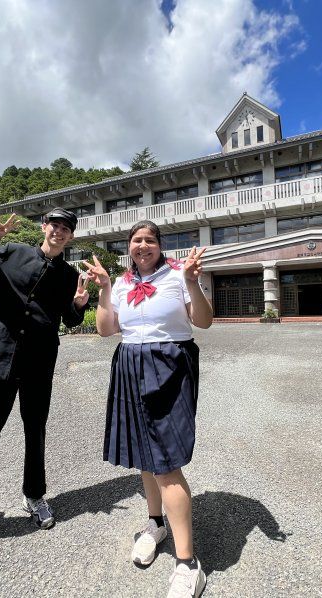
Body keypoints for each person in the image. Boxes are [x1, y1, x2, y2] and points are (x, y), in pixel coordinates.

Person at [83, 220, 212, 598]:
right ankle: (155, 523)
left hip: (171, 364)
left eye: (150, 240)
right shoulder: (121, 282)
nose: (143, 245)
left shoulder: (177, 274)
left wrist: (191, 281)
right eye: (137, 240)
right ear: (129, 246)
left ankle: (188, 564)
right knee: (145, 453)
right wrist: (105, 289)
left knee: (166, 461)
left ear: (160, 245)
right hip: (129, 364)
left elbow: (203, 321)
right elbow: (107, 330)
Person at [0, 208, 89, 551]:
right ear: (44, 227)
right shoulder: (10, 251)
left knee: (35, 427)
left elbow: (69, 320)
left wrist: (80, 304)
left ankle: (34, 496)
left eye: (66, 228)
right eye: (54, 225)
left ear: (70, 237)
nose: (59, 231)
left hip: (39, 360)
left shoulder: (69, 274)